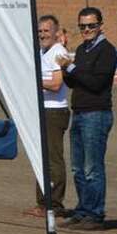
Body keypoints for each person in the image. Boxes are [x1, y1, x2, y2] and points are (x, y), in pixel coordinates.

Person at [57, 7, 117, 231]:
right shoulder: (82, 50)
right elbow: (75, 82)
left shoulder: (107, 51)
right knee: (78, 168)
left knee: (92, 167)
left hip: (96, 114)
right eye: (82, 26)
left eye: (91, 25)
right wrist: (64, 69)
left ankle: (95, 213)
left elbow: (96, 83)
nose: (87, 29)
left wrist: (71, 67)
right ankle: (83, 210)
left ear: (101, 25)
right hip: (80, 112)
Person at [24, 15, 70, 218]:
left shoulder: (58, 51)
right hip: (42, 109)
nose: (42, 35)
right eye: (40, 31)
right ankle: (43, 202)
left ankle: (55, 204)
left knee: (53, 158)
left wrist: (33, 81)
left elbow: (57, 83)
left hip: (54, 111)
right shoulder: (41, 52)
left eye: (46, 31)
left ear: (56, 32)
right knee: (41, 156)